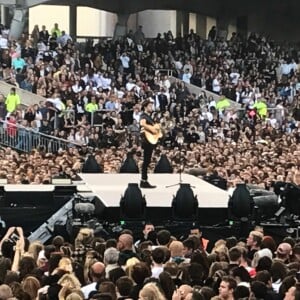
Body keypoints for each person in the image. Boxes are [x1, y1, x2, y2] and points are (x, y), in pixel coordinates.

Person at [139, 99, 158, 188]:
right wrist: (153, 129)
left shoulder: (149, 117)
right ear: (145, 107)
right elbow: (142, 124)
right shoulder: (144, 116)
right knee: (146, 161)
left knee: (147, 161)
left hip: (150, 140)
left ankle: (144, 180)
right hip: (146, 140)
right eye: (150, 106)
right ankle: (143, 180)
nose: (151, 107)